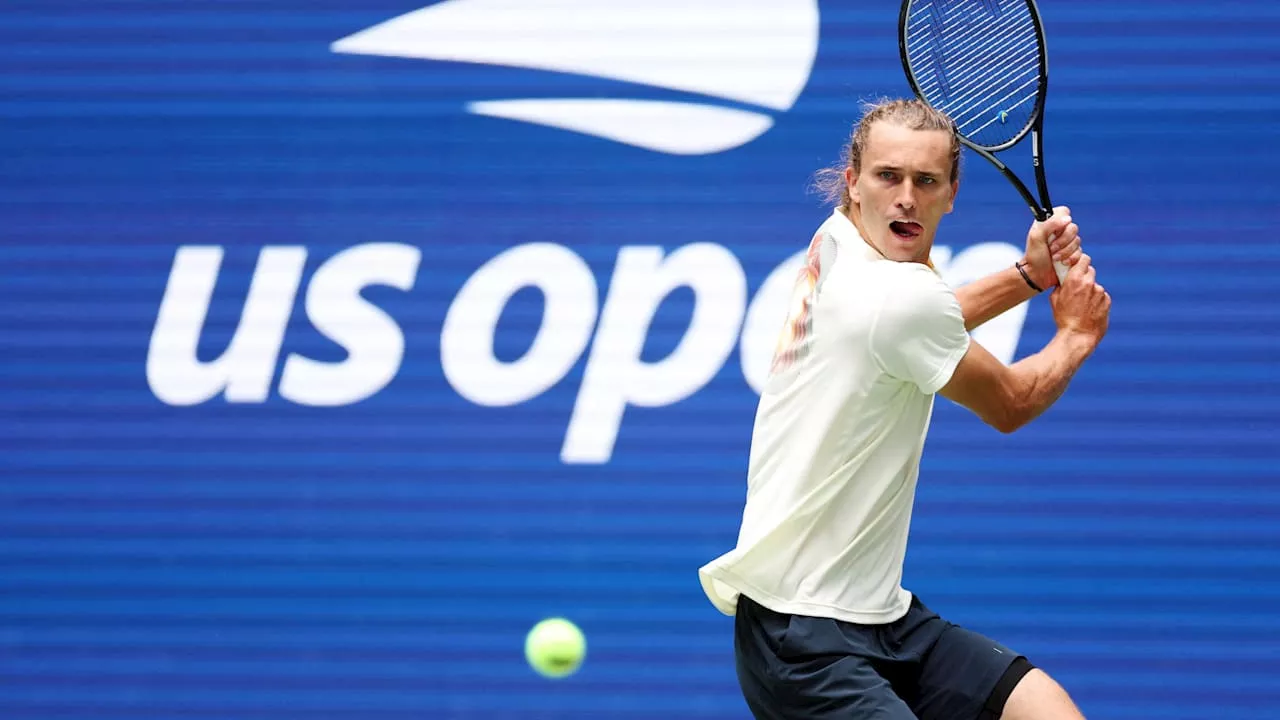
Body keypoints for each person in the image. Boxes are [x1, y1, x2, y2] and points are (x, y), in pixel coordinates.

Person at [697, 98, 1111, 720]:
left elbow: (919, 318)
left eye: (926, 181)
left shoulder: (839, 240)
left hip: (883, 617)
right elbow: (1009, 403)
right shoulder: (898, 296)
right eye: (888, 176)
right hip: (803, 639)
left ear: (951, 193)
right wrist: (1076, 336)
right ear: (853, 183)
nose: (906, 199)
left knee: (1046, 710)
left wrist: (1029, 274)